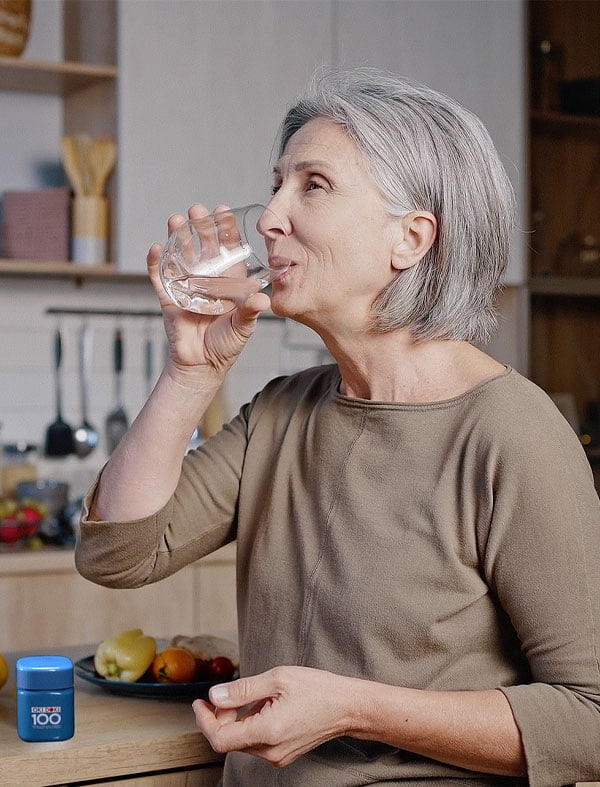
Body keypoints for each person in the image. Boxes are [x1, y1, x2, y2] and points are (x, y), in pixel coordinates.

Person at [75, 68, 600, 786]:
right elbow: (116, 554)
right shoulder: (284, 410)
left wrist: (354, 709)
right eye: (278, 182)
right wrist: (189, 373)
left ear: (411, 239)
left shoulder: (511, 432)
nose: (268, 218)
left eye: (312, 185)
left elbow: (591, 717)